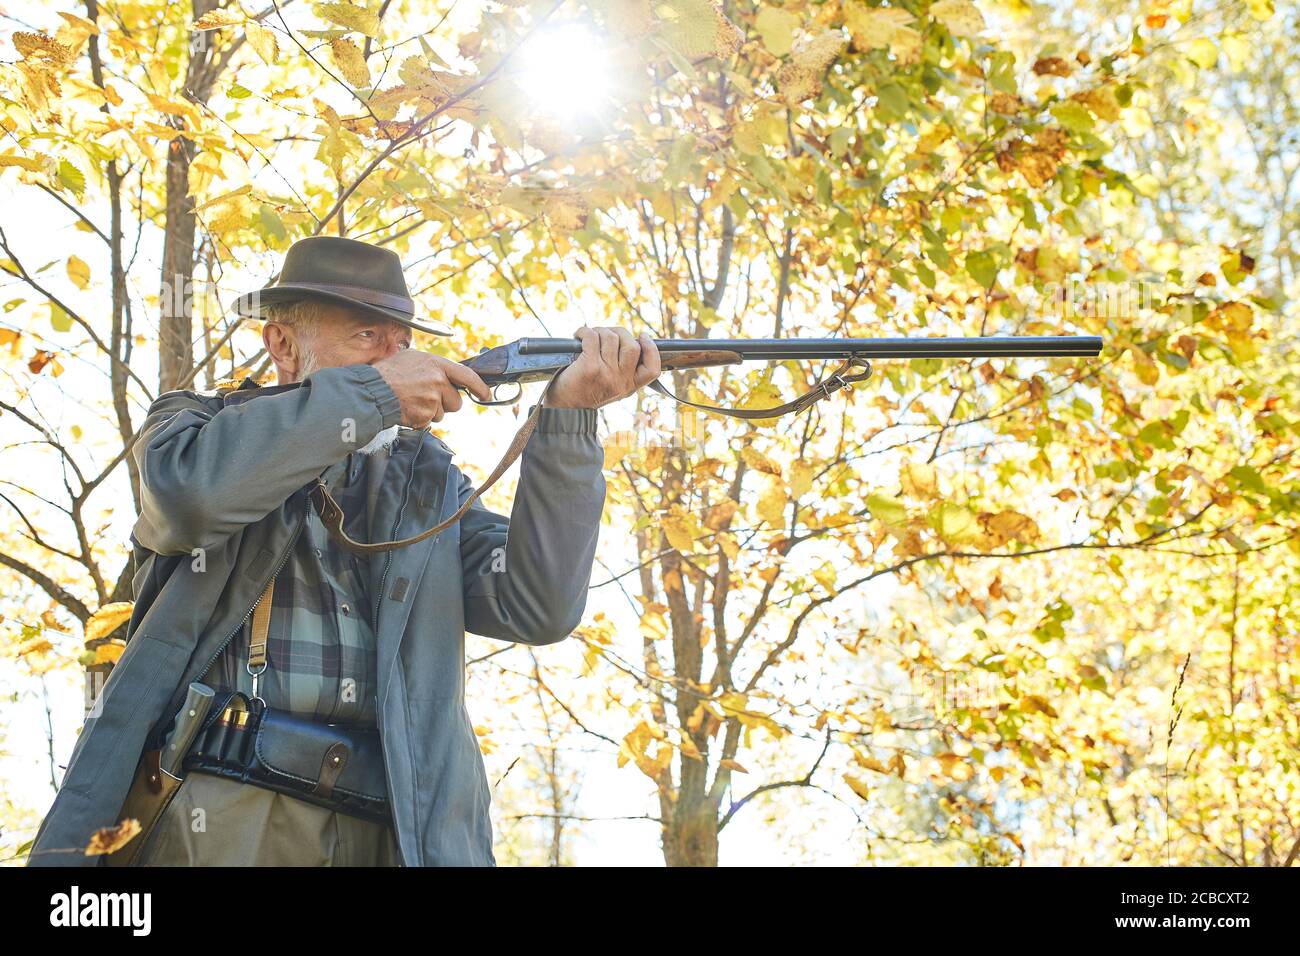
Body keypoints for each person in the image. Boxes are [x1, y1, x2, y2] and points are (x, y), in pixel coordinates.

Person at [27, 235, 660, 866]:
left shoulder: (429, 480)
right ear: (281, 344)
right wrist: (376, 394)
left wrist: (571, 417)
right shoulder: (194, 426)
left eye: (401, 343)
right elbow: (191, 498)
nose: (395, 359)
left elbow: (538, 606)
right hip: (228, 812)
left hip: (397, 830)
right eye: (365, 337)